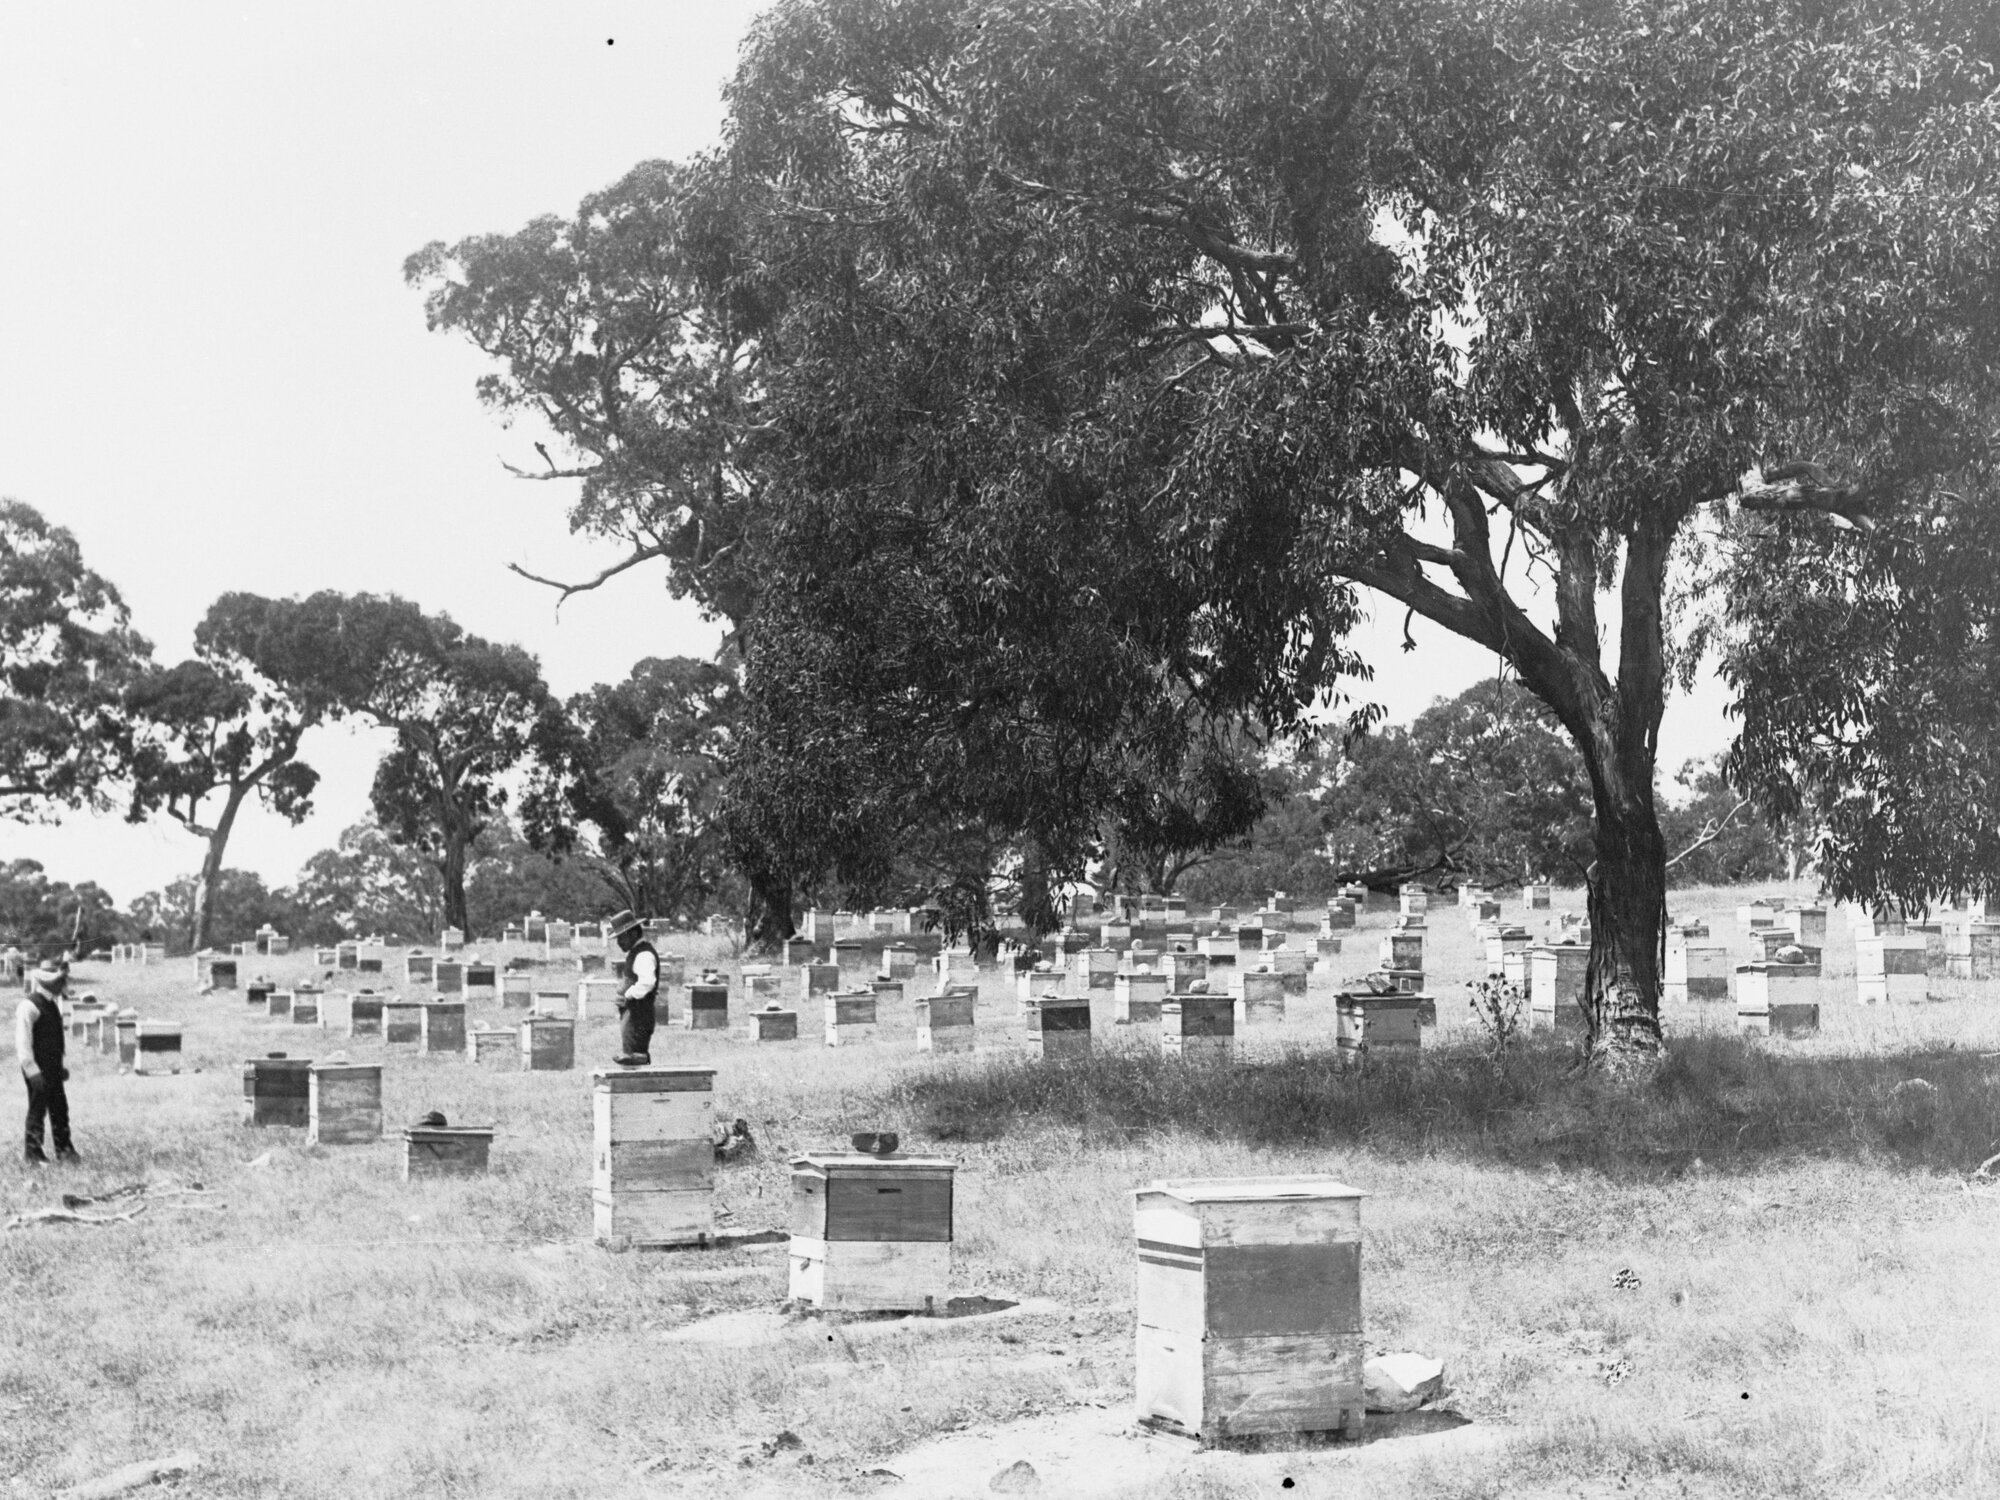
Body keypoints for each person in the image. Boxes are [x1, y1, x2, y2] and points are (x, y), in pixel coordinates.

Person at [16, 958, 76, 1165]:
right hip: (38, 1071)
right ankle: (33, 1154)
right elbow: (23, 1044)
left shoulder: (52, 1004)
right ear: (48, 982)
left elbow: (53, 1040)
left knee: (60, 1108)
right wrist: (32, 1071)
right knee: (37, 1110)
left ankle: (64, 1149)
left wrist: (60, 1067)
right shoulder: (29, 1005)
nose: (63, 984)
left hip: (52, 1069)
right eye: (60, 980)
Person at [608, 910, 659, 1066]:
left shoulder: (643, 955)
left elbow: (647, 982)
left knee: (635, 1059)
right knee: (632, 1059)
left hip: (639, 1016)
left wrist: (628, 994)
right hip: (633, 1015)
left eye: (621, 937)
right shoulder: (636, 953)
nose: (619, 943)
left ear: (632, 934)